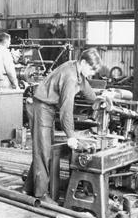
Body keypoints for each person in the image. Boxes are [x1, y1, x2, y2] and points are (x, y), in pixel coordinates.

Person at [23, 48, 102, 203]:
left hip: (46, 107)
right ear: (84, 62)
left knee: (44, 149)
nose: (92, 73)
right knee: (43, 151)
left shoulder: (76, 67)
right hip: (41, 107)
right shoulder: (71, 76)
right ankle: (40, 195)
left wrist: (98, 100)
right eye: (91, 69)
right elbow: (66, 109)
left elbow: (85, 87)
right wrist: (70, 135)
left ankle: (28, 187)